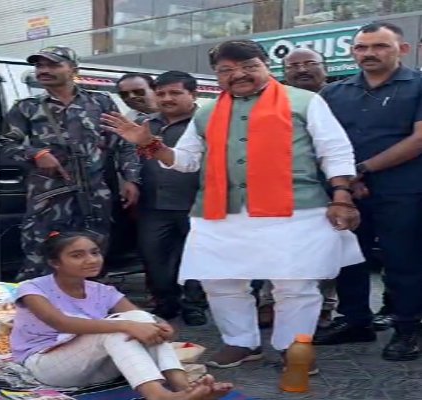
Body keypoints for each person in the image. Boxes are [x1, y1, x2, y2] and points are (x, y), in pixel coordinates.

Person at [102, 39, 364, 370]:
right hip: (220, 211)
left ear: (267, 66)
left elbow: (334, 149)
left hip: (295, 209)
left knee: (295, 284)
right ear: (217, 74)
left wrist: (342, 195)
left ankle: (293, 347)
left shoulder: (305, 101)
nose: (238, 75)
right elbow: (185, 161)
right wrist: (150, 144)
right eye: (227, 70)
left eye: (249, 67)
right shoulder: (207, 112)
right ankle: (241, 342)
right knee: (219, 281)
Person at [10, 231, 233, 400]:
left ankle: (183, 388)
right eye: (77, 255)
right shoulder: (33, 288)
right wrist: (127, 326)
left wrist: (161, 327)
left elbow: (140, 318)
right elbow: (62, 323)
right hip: (47, 366)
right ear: (55, 263)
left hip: (96, 368)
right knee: (118, 328)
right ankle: (158, 395)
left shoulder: (103, 291)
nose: (91, 260)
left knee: (139, 320)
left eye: (95, 253)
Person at [313, 22, 422, 362]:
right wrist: (344, 181)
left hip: (404, 190)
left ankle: (408, 328)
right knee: (348, 257)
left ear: (402, 49)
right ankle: (355, 321)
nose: (369, 53)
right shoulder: (333, 93)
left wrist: (362, 169)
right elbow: (320, 141)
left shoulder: (418, 86)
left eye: (380, 46)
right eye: (362, 47)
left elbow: (419, 139)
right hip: (346, 192)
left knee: (403, 260)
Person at [0, 46, 141, 281]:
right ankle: (39, 303)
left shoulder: (100, 102)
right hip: (50, 197)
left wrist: (131, 179)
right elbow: (5, 144)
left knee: (91, 259)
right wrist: (35, 154)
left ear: (73, 69)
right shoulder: (27, 107)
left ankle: (87, 302)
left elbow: (124, 142)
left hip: (94, 197)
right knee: (41, 258)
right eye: (40, 66)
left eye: (53, 65)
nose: (44, 70)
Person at [257, 48, 338, 329]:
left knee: (326, 249)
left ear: (325, 68)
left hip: (331, 185)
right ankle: (269, 302)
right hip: (282, 186)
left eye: (309, 63)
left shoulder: (341, 97)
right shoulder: (270, 100)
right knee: (277, 247)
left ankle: (324, 306)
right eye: (293, 66)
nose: (302, 69)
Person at [135, 71, 207, 326]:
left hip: (196, 203)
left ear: (193, 94)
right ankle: (165, 303)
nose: (167, 98)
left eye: (175, 93)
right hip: (153, 205)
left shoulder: (206, 123)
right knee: (154, 257)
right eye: (161, 93)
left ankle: (194, 306)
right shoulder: (144, 124)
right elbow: (128, 157)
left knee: (197, 258)